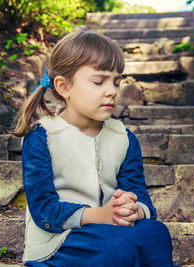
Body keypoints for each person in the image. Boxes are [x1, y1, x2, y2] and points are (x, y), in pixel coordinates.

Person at [10, 30, 175, 267]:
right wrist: (100, 216)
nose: (112, 91)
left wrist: (131, 209)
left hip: (112, 232)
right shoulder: (42, 137)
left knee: (155, 232)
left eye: (117, 82)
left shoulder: (124, 139)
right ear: (64, 87)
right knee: (116, 247)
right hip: (59, 242)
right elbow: (44, 209)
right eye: (99, 81)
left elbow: (143, 200)